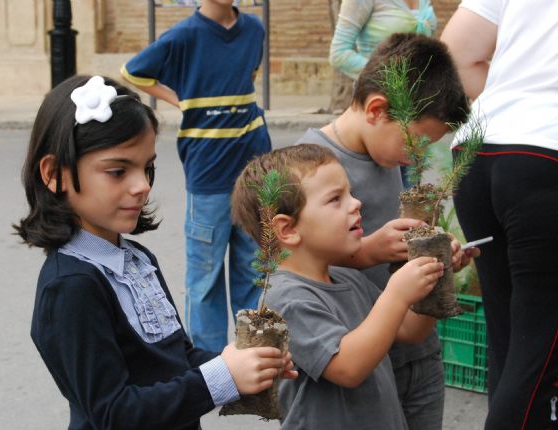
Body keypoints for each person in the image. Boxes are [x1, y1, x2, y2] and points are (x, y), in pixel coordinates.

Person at [14, 75, 296, 430]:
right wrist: (221, 378)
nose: (142, 185)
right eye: (118, 171)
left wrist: (243, 362)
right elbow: (113, 413)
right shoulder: (71, 287)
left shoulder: (137, 260)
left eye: (147, 167)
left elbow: (176, 357)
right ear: (55, 174)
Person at [296, 33, 474, 430]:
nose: (418, 156)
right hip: (360, 356)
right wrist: (368, 251)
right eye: (416, 143)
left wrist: (438, 259)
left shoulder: (390, 156)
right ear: (378, 109)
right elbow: (294, 261)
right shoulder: (308, 166)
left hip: (419, 349)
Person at [231, 144, 444, 429]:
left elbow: (410, 330)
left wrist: (434, 273)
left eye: (350, 194)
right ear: (288, 229)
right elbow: (347, 367)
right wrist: (397, 294)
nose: (355, 204)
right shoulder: (286, 299)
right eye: (335, 199)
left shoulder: (347, 277)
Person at [120, 0, 270, 353]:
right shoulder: (184, 36)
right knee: (205, 279)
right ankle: (210, 367)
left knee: (253, 271)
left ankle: (253, 358)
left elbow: (248, 76)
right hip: (208, 174)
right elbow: (133, 72)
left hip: (254, 167)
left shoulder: (254, 30)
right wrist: (182, 101)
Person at [441, 2, 558, 429]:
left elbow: (455, 51)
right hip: (546, 152)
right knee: (538, 350)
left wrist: (515, 93)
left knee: (512, 340)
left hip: (481, 146)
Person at [329, 0, 438, 188]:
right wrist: (392, 81)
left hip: (416, 107)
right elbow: (339, 54)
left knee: (410, 197)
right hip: (380, 107)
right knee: (379, 195)